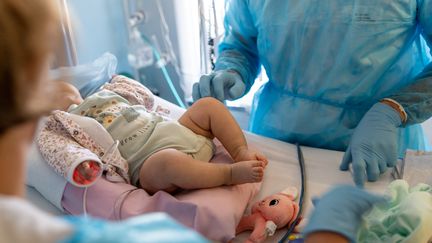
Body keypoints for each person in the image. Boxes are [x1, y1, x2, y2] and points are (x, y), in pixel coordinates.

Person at [192, 0, 432, 187]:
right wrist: (232, 70)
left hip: (374, 146)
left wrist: (392, 110)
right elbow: (242, 43)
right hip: (278, 138)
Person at [38, 76, 267, 194]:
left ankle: (240, 151)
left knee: (208, 105)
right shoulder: (64, 126)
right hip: (148, 162)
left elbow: (142, 97)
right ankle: (228, 173)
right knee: (168, 162)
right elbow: (61, 151)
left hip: (180, 131)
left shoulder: (105, 94)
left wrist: (118, 81)